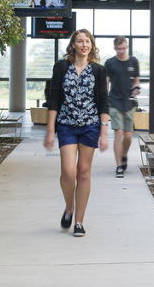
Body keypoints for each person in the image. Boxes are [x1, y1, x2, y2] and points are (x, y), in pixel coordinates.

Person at [44, 29, 109, 237]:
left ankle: (79, 221)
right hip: (66, 125)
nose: (84, 44)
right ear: (73, 45)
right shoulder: (62, 67)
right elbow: (53, 98)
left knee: (83, 172)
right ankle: (68, 208)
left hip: (90, 126)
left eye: (87, 41)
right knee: (68, 173)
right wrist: (49, 130)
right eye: (80, 41)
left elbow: (103, 101)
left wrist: (104, 132)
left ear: (91, 45)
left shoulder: (98, 70)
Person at [104, 36, 140, 178]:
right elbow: (106, 83)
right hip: (114, 101)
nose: (121, 51)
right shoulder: (110, 63)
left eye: (123, 48)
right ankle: (119, 166)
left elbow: (136, 80)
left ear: (127, 47)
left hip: (129, 102)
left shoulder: (133, 61)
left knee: (128, 136)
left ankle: (124, 155)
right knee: (118, 133)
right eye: (119, 49)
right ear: (115, 48)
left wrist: (136, 88)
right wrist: (103, 99)